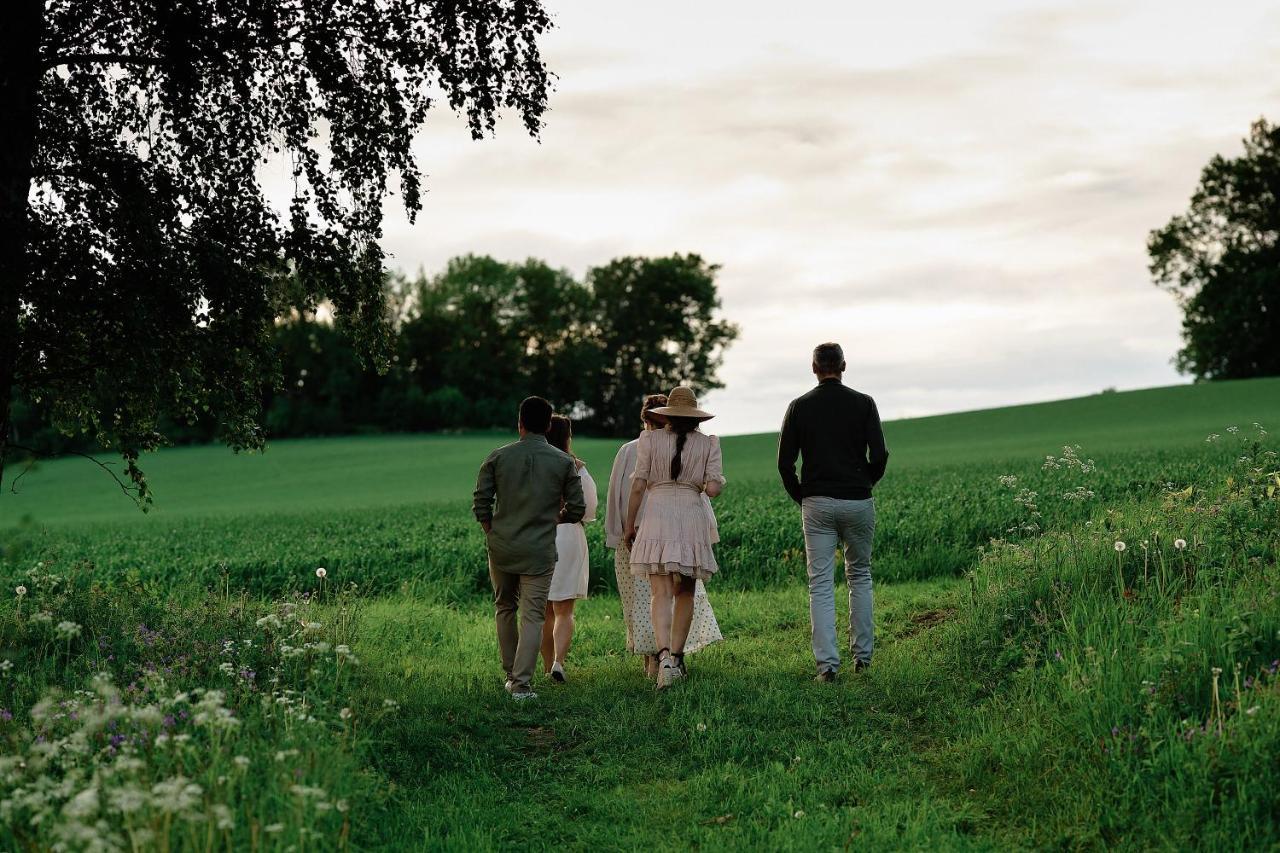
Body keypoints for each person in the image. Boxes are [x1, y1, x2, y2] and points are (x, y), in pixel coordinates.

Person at [777, 343, 889, 682]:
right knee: (860, 575)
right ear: (844, 365)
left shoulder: (798, 407)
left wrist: (803, 496)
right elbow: (880, 454)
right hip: (857, 499)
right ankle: (864, 658)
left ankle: (827, 667)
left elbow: (785, 465)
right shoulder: (864, 403)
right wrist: (863, 483)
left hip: (817, 502)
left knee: (821, 584)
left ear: (813, 367)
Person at [473, 396, 586, 701]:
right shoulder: (563, 463)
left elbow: (481, 503)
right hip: (539, 549)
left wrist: (492, 530)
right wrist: (555, 518)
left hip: (501, 547)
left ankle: (510, 674)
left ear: (519, 423)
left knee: (505, 607)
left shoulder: (497, 457)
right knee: (533, 616)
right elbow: (577, 508)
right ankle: (521, 684)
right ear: (549, 425)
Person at [605, 394, 722, 680]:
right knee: (685, 592)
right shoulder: (708, 443)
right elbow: (713, 489)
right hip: (690, 516)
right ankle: (678, 659)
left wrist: (630, 525)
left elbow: (637, 487)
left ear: (667, 415)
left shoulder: (649, 441)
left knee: (660, 593)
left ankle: (664, 657)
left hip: (655, 516)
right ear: (695, 417)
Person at [540, 415, 599, 683]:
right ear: (567, 437)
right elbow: (589, 510)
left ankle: (543, 666)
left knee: (543, 610)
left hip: (538, 536)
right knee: (564, 610)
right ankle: (558, 663)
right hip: (568, 535)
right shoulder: (578, 468)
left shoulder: (534, 465)